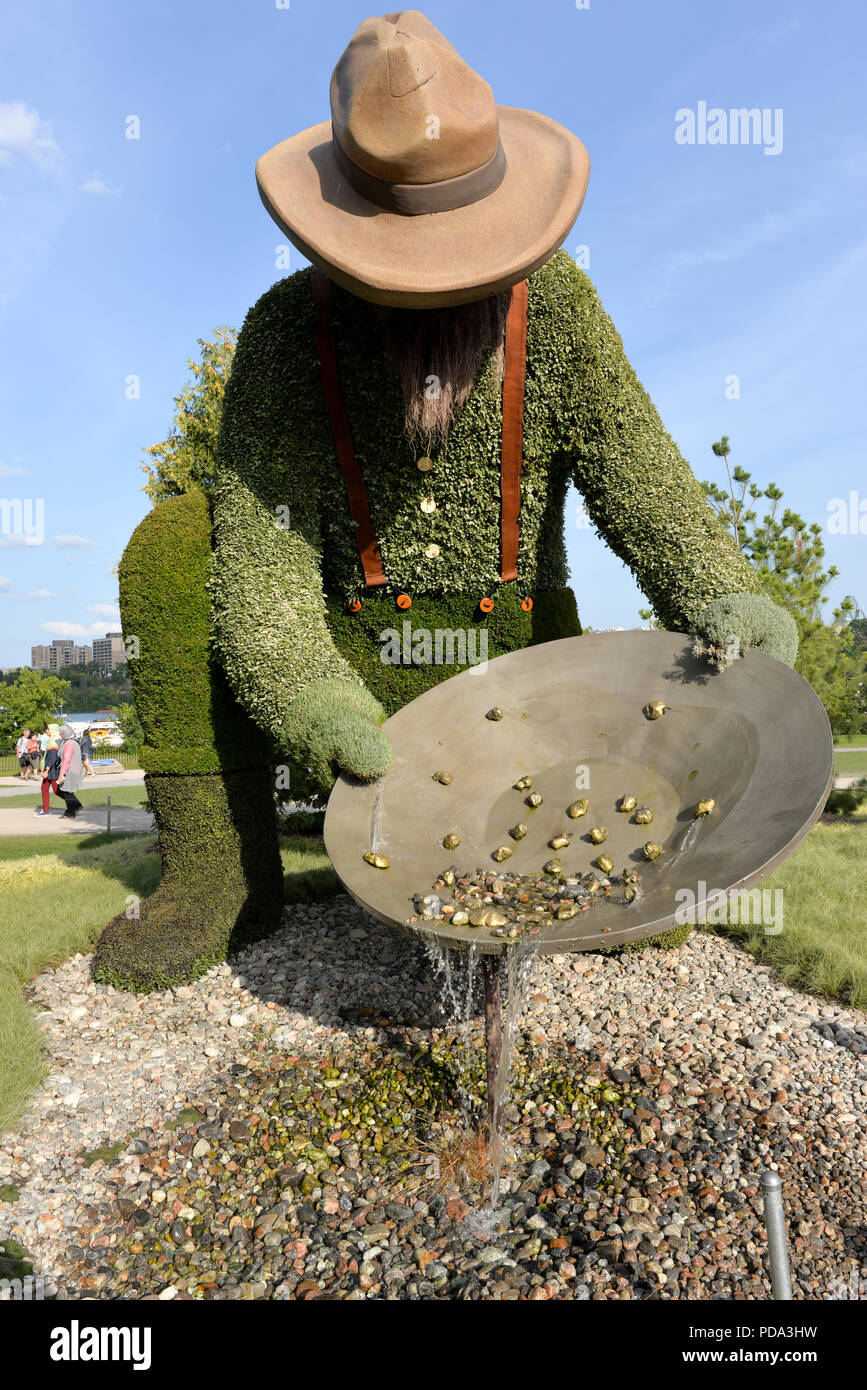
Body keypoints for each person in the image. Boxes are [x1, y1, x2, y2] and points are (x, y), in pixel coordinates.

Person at [55, 723, 84, 819]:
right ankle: (76, 806)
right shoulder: (73, 742)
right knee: (66, 791)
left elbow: (66, 759)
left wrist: (61, 774)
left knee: (66, 791)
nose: (60, 735)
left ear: (66, 733)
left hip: (70, 770)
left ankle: (71, 812)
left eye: (61, 733)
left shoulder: (69, 743)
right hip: (74, 769)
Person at [34, 727, 63, 816]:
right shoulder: (51, 743)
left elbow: (53, 759)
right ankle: (45, 810)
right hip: (49, 772)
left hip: (52, 772)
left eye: (48, 729)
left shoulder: (53, 745)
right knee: (44, 789)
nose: (46, 731)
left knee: (57, 791)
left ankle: (73, 803)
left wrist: (46, 770)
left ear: (53, 731)